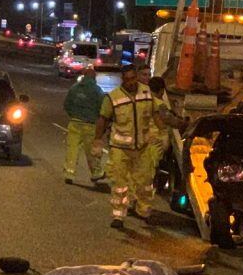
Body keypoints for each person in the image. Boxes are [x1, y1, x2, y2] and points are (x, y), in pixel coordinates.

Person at [93, 65, 164, 228]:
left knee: (145, 182)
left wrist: (162, 131)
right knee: (120, 184)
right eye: (127, 79)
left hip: (142, 147)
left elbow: (156, 114)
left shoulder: (146, 93)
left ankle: (144, 211)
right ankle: (118, 216)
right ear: (122, 80)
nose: (131, 82)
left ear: (136, 77)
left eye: (133, 78)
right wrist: (98, 140)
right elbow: (103, 119)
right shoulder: (113, 97)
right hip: (120, 148)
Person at [63, 68, 105, 184]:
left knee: (72, 148)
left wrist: (73, 115)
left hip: (75, 122)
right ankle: (96, 173)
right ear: (94, 77)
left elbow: (67, 104)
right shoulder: (97, 90)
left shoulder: (74, 88)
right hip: (89, 124)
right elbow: (102, 108)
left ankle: (69, 173)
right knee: (90, 150)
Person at [147, 76, 188, 182]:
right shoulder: (159, 105)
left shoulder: (143, 99)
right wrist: (185, 123)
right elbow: (171, 121)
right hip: (155, 141)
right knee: (152, 165)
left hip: (143, 138)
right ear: (161, 90)